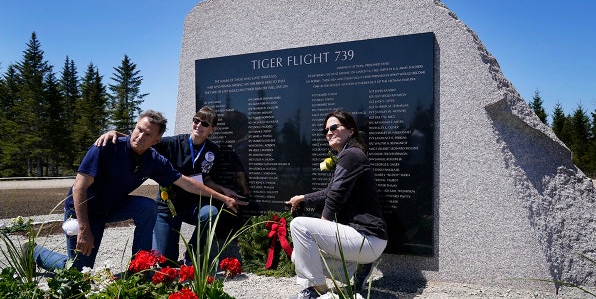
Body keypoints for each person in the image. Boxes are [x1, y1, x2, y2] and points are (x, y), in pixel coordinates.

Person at [33, 110, 245, 271]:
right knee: (78, 270)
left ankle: (139, 267)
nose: (140, 136)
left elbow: (187, 182)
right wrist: (83, 227)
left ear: (156, 141)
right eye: (138, 129)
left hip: (113, 207)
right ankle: (33, 252)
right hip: (84, 211)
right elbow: (79, 188)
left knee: (147, 207)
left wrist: (223, 197)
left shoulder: (153, 160)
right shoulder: (106, 146)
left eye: (147, 134)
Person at [96, 107, 249, 265]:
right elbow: (142, 141)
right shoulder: (172, 143)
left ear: (212, 129)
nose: (198, 126)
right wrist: (115, 133)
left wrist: (223, 190)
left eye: (204, 123)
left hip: (193, 205)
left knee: (210, 213)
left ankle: (191, 256)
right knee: (163, 261)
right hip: (168, 206)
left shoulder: (213, 150)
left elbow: (206, 178)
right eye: (196, 121)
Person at [285, 109, 388, 299]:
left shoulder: (352, 155)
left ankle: (318, 290)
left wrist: (323, 224)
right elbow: (330, 191)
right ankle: (359, 269)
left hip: (367, 237)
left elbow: (336, 195)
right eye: (326, 130)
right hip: (363, 242)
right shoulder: (348, 156)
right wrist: (303, 198)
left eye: (334, 127)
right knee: (298, 256)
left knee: (299, 225)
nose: (329, 132)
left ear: (351, 131)